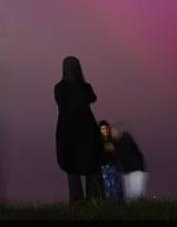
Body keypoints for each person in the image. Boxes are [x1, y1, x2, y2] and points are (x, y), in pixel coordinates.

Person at [55, 57, 103, 202]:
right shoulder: (84, 86)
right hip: (85, 130)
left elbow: (62, 102)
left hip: (69, 130)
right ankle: (91, 201)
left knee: (73, 168)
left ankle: (78, 203)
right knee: (88, 166)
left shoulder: (60, 87)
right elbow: (92, 98)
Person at [111, 123, 147, 200]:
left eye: (114, 131)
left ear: (118, 131)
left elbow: (123, 155)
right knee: (130, 197)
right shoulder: (120, 141)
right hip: (129, 172)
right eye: (112, 132)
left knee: (136, 196)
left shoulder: (125, 139)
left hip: (135, 171)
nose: (113, 134)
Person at [98, 121, 122, 201]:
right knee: (106, 189)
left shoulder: (113, 141)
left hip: (114, 167)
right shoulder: (99, 142)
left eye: (106, 128)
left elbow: (118, 154)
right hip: (104, 168)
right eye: (103, 129)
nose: (105, 130)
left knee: (116, 188)